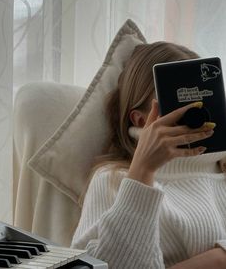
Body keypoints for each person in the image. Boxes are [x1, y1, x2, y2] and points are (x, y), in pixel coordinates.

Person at [71, 42, 226, 269]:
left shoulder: (222, 169)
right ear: (141, 120)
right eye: (178, 103)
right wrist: (142, 172)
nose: (194, 113)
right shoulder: (114, 180)